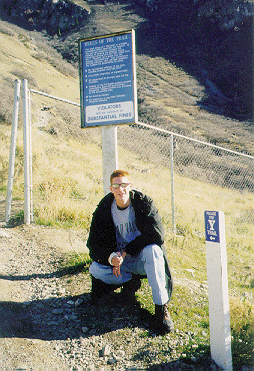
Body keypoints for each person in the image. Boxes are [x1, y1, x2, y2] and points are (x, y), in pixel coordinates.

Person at [87, 169, 174, 333]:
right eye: (116, 186)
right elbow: (93, 243)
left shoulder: (143, 202)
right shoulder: (105, 208)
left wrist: (127, 250)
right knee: (95, 269)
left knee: (154, 251)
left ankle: (161, 308)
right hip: (121, 262)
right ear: (111, 189)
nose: (121, 190)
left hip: (141, 258)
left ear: (130, 186)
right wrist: (111, 257)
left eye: (124, 185)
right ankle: (130, 282)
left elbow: (157, 235)